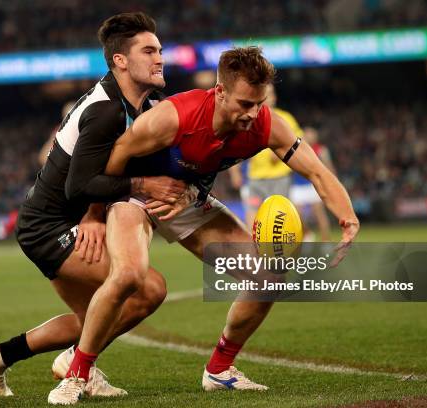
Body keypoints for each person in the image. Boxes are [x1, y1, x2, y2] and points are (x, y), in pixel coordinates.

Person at [48, 46, 360, 405]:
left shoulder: (266, 124)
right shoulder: (174, 116)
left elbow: (317, 171)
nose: (252, 114)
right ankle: (77, 372)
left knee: (267, 277)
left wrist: (347, 218)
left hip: (188, 200)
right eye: (244, 104)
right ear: (220, 91)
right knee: (130, 275)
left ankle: (220, 370)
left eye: (258, 103)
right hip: (137, 191)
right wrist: (94, 215)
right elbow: (117, 156)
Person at [0, 12, 185, 399]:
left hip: (52, 222)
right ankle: (78, 362)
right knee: (147, 289)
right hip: (50, 228)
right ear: (120, 60)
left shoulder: (138, 104)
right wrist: (137, 187)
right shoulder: (106, 111)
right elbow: (80, 185)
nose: (159, 58)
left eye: (160, 50)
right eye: (149, 50)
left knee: (93, 317)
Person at [228, 83, 301, 229]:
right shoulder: (249, 118)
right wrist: (234, 172)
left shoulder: (286, 118)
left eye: (271, 94)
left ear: (275, 97)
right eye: (264, 95)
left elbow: (299, 145)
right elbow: (236, 146)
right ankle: (254, 247)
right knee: (252, 211)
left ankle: (281, 248)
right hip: (256, 178)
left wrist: (283, 153)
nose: (268, 98)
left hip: (279, 177)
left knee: (280, 216)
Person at [290, 126, 336, 241]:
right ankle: (307, 233)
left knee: (319, 214)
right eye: (307, 133)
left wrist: (332, 183)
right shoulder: (296, 148)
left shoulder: (321, 150)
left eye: (312, 134)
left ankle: (326, 241)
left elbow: (329, 166)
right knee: (296, 215)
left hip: (313, 185)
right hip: (297, 185)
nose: (310, 136)